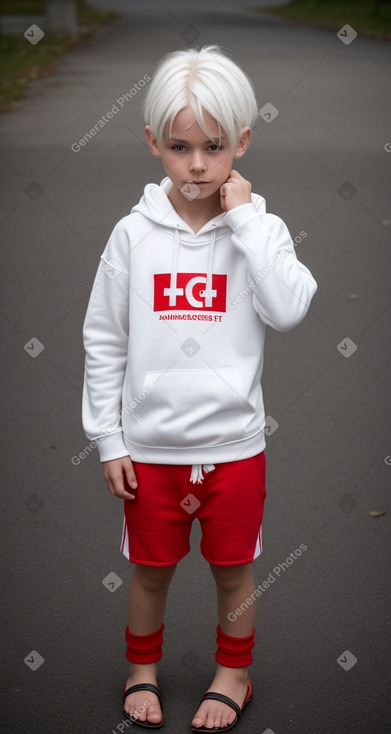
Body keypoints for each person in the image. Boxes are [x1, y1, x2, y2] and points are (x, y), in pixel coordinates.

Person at [82, 44, 317, 732]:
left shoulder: (260, 231)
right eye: (179, 146)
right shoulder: (131, 237)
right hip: (149, 451)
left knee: (232, 571)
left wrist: (244, 222)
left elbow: (290, 308)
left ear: (241, 142)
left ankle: (232, 675)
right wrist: (108, 438)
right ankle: (141, 671)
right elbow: (104, 339)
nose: (195, 165)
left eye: (213, 147)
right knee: (151, 573)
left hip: (233, 450)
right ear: (153, 142)